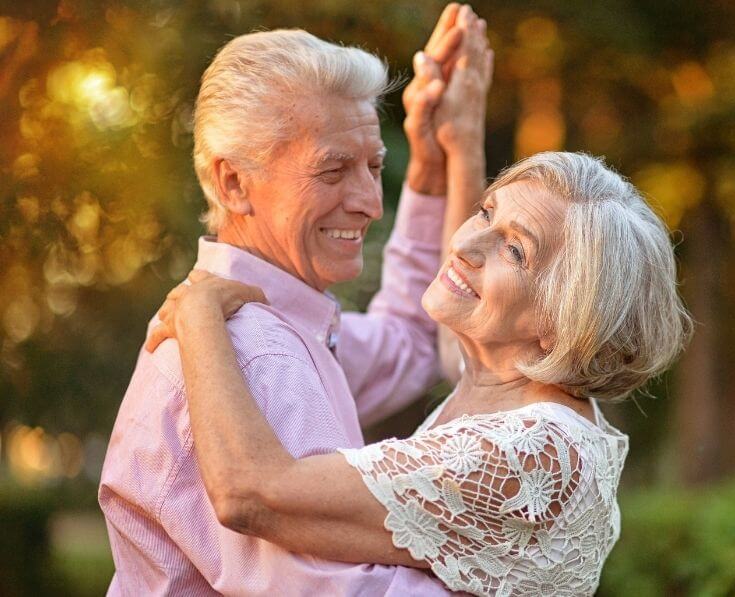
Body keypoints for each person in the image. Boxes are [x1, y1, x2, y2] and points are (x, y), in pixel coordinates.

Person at [146, 150, 693, 596]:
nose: (465, 245)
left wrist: (198, 314)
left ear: (564, 321)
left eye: (515, 250)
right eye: (485, 211)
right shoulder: (502, 386)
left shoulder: (532, 453)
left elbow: (253, 495)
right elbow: (451, 349)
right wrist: (453, 141)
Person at [98, 4, 491, 594]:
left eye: (374, 166)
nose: (369, 202)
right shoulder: (261, 355)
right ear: (234, 183)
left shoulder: (280, 328)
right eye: (333, 171)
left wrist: (434, 164)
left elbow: (411, 343)